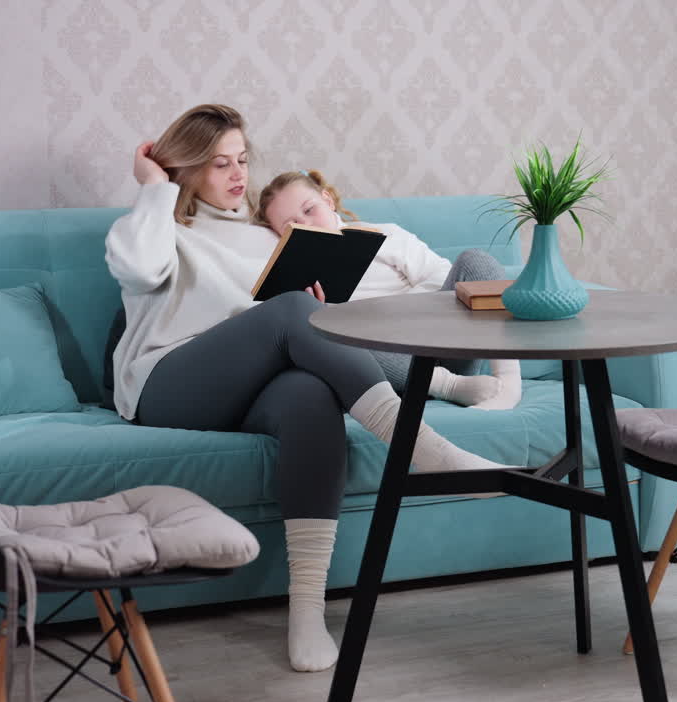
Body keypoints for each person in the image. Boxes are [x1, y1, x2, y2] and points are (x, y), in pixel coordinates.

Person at [105, 104, 505, 673]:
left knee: (308, 395)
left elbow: (266, 318)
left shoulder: (257, 236)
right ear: (186, 170)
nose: (238, 175)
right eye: (219, 164)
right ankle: (423, 448)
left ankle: (306, 612)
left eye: (242, 160)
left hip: (247, 382)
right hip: (165, 385)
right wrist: (152, 187)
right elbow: (142, 272)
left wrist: (312, 316)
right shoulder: (152, 226)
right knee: (295, 312)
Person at [255, 169, 523, 410]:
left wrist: (396, 311)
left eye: (309, 210)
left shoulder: (385, 235)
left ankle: (508, 385)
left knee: (477, 262)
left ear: (327, 200)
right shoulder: (297, 279)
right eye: (291, 225)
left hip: (438, 336)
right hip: (385, 367)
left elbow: (442, 277)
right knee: (327, 333)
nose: (307, 224)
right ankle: (449, 387)